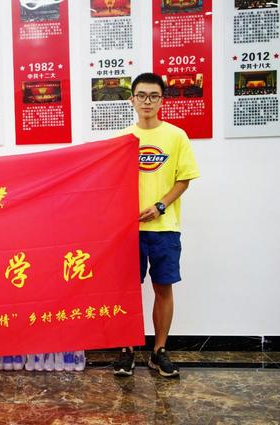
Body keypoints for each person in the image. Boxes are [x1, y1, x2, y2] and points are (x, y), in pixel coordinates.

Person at [113, 73, 200, 378]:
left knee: (163, 288)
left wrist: (161, 205)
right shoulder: (122, 139)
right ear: (132, 100)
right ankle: (126, 350)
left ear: (162, 100)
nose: (147, 101)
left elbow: (184, 179)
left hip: (165, 228)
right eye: (141, 95)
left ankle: (159, 351)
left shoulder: (176, 136)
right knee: (126, 292)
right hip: (128, 230)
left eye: (153, 96)